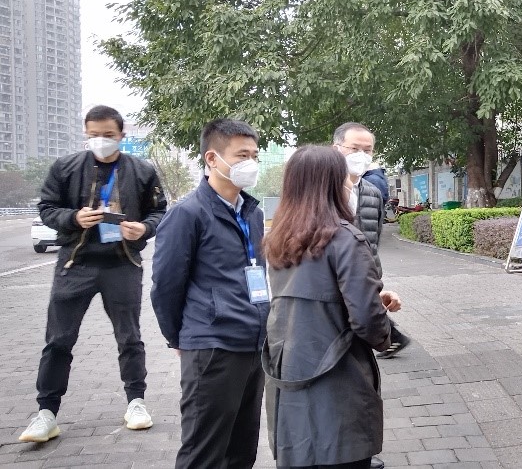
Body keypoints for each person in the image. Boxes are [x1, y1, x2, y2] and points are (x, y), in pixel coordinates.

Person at [20, 105, 166, 443]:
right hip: (75, 264)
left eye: (109, 135)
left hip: (123, 264)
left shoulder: (142, 170)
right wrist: (73, 218)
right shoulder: (65, 167)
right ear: (86, 134)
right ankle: (46, 413)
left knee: (129, 338)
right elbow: (47, 208)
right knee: (58, 340)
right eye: (95, 134)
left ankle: (136, 403)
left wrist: (143, 228)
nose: (101, 140)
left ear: (121, 136)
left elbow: (159, 211)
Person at [261, 145, 400, 469]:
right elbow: (366, 319)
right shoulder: (345, 239)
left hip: (289, 371)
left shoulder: (279, 240)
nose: (350, 184)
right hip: (337, 377)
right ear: (332, 185)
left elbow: (314, 297)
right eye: (345, 178)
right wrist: (384, 335)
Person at [151, 119, 268, 468]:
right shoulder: (187, 214)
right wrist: (180, 338)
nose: (251, 163)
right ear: (213, 159)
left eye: (255, 155)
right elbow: (166, 286)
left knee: (241, 451)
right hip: (212, 346)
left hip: (253, 344)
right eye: (242, 155)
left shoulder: (253, 213)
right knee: (203, 453)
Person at [332, 122, 410, 359]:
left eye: (367, 151)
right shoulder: (321, 193)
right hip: (331, 283)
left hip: (363, 280)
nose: (361, 156)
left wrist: (374, 279)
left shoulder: (373, 193)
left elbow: (373, 240)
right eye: (354, 149)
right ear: (336, 149)